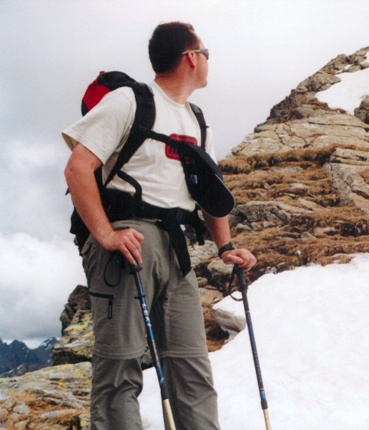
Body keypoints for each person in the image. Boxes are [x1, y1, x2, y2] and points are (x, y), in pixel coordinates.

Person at [63, 22, 256, 429]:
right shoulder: (128, 101)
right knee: (120, 367)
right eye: (206, 53)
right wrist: (106, 234)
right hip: (130, 239)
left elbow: (210, 192)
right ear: (191, 57)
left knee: (191, 370)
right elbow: (79, 167)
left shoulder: (199, 121)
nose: (207, 61)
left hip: (177, 248)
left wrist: (225, 247)